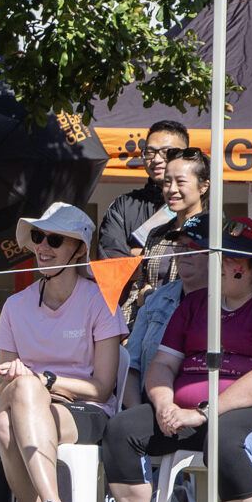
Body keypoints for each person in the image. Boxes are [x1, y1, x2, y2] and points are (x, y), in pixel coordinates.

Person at [102, 218, 252, 502]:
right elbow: (162, 364)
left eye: (224, 258)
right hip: (186, 414)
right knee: (121, 430)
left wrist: (204, 412)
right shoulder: (195, 303)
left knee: (223, 439)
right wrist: (163, 403)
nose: (213, 263)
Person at [0, 202, 126, 502]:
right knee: (15, 400)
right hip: (30, 405)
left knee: (8, 423)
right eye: (38, 236)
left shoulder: (100, 302)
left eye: (54, 238)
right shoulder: (15, 305)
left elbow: (102, 388)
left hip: (87, 410)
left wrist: (47, 380)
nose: (43, 247)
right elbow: (2, 383)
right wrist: (27, 382)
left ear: (79, 249)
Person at [122, 213, 211, 407]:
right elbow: (130, 365)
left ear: (215, 254)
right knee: (120, 429)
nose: (184, 253)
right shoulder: (157, 299)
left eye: (194, 246)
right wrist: (136, 411)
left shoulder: (229, 302)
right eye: (180, 245)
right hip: (150, 409)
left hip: (203, 412)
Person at [120, 148, 209, 324]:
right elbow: (138, 287)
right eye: (167, 182)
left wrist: (150, 296)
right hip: (148, 329)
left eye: (180, 182)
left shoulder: (215, 235)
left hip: (193, 327)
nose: (172, 189)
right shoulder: (156, 234)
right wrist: (124, 332)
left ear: (204, 186)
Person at [98, 121, 190, 259]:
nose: (156, 159)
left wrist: (136, 254)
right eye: (150, 152)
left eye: (166, 152)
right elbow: (111, 262)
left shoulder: (202, 205)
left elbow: (204, 260)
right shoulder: (123, 206)